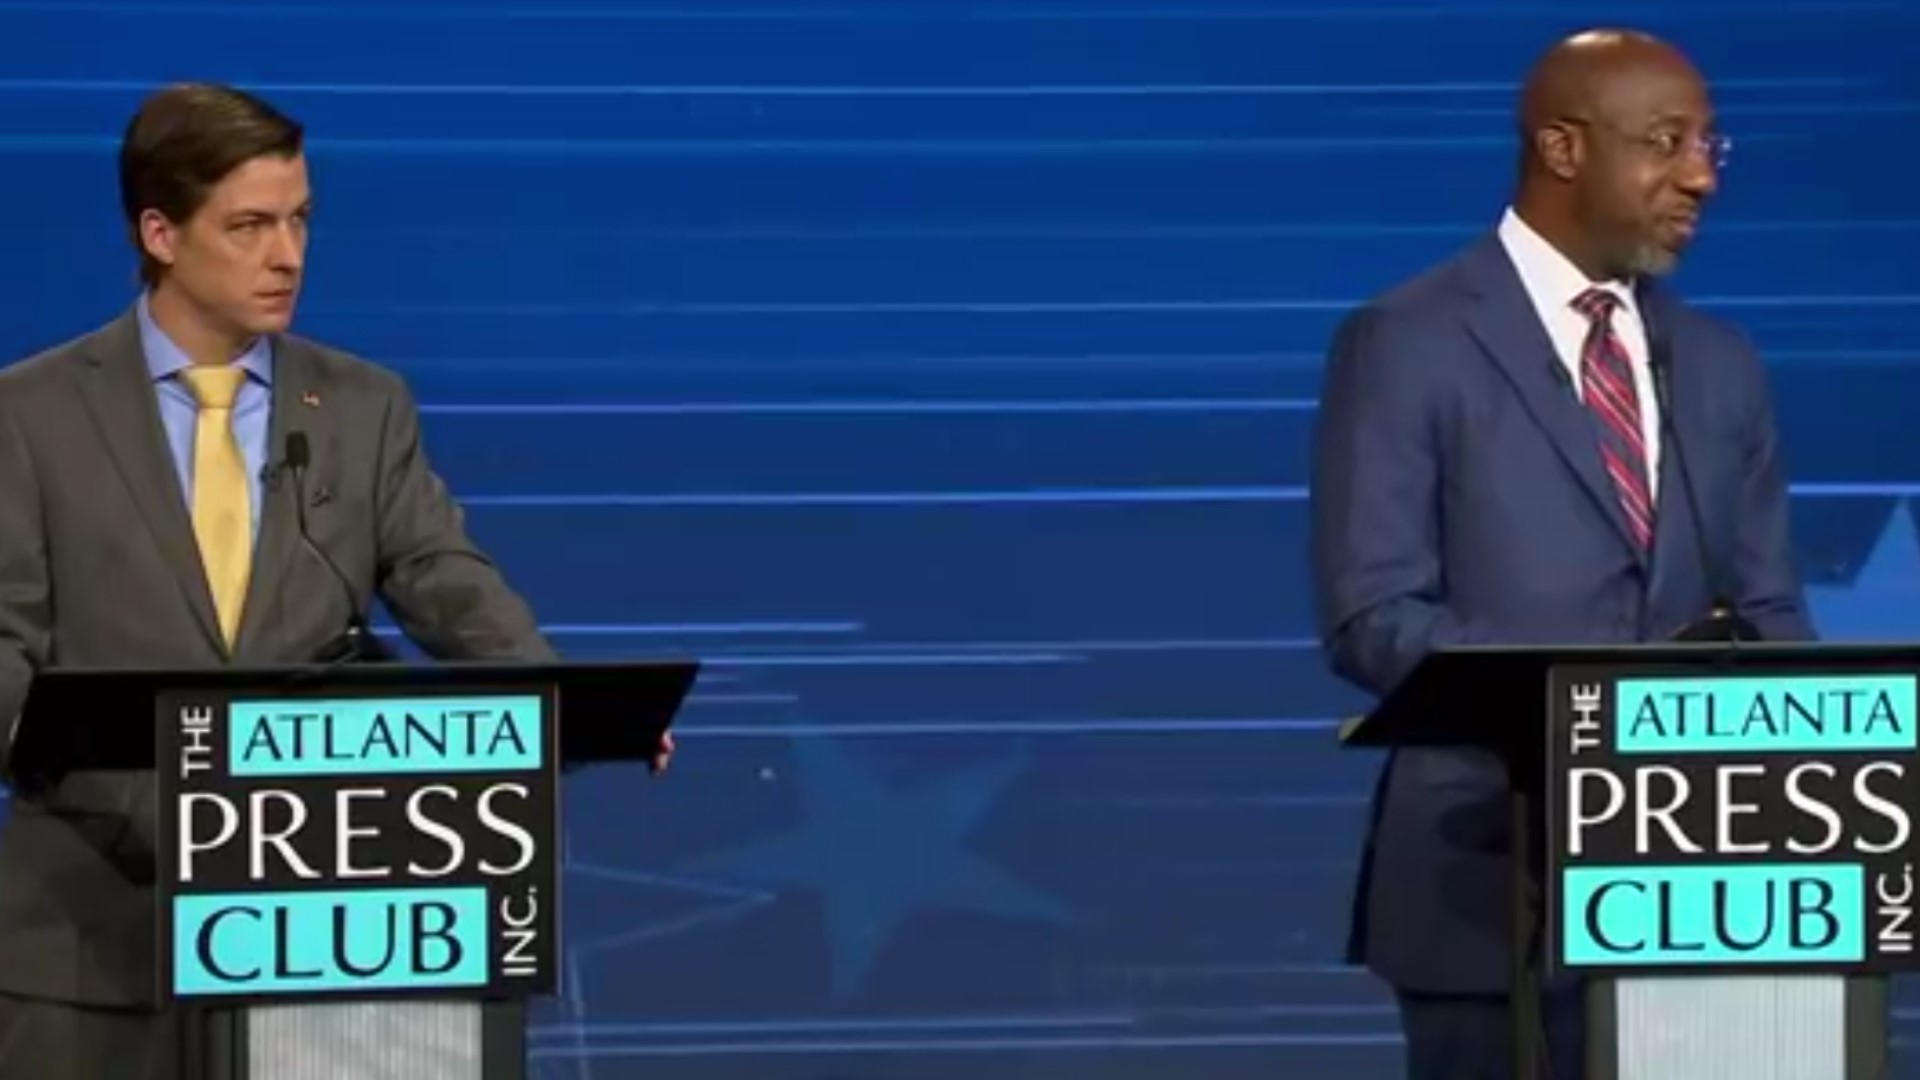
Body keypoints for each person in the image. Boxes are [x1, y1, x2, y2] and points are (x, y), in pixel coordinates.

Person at [0, 83, 672, 1079]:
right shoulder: (30, 413)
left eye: (301, 219)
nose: (288, 254)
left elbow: (447, 581)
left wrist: (556, 705)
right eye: (251, 225)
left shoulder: (360, 407)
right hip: (91, 946)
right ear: (161, 233)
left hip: (312, 945)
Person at [1308, 29, 1812, 1080]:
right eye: (1668, 143)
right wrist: (1593, 718)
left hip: (1700, 904)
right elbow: (1375, 614)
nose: (1700, 177)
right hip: (1489, 890)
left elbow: (1770, 616)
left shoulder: (1720, 365)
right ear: (1563, 148)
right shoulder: (1406, 340)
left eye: (1714, 146)